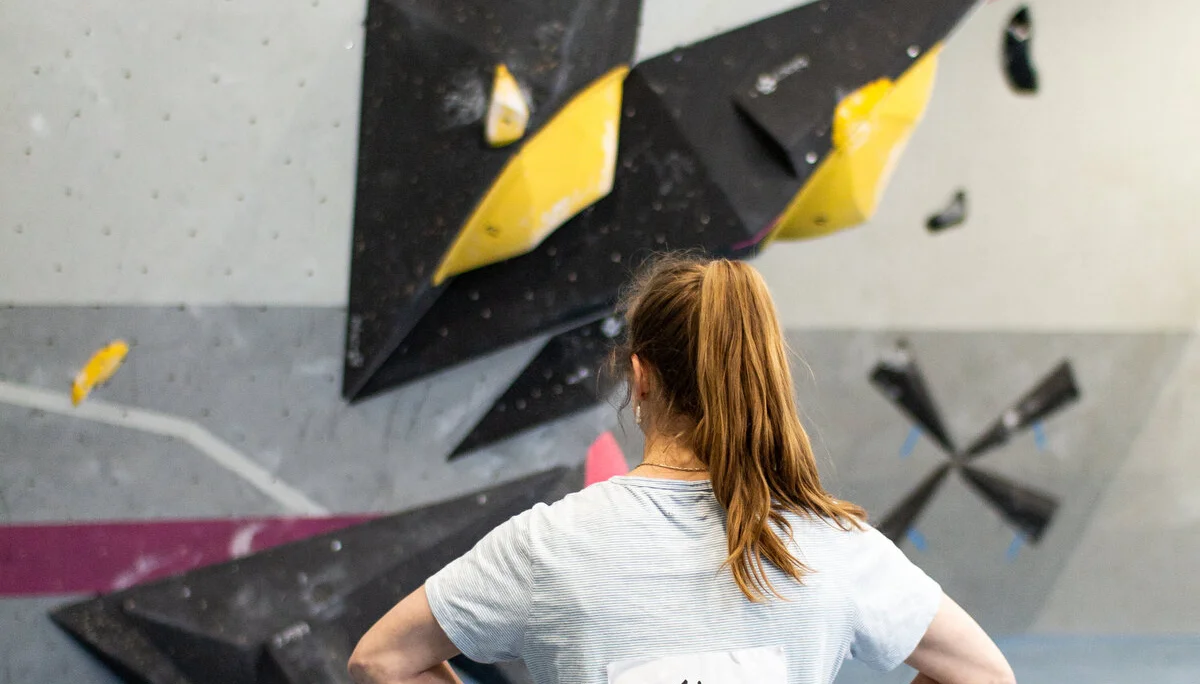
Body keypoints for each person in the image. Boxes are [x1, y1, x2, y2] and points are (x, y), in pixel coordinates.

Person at [348, 255, 1015, 684]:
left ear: (639, 379)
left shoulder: (548, 544)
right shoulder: (834, 547)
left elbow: (378, 661)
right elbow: (985, 676)